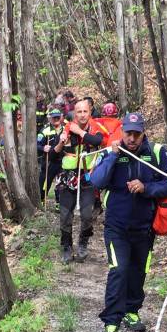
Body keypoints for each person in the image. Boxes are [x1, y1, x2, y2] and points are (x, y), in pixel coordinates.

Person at [89, 112, 167, 332]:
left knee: (138, 271)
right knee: (118, 270)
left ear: (143, 133)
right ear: (122, 131)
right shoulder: (111, 152)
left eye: (137, 134)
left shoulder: (157, 152)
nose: (132, 138)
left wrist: (146, 187)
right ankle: (111, 322)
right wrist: (113, 157)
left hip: (145, 226)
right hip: (116, 227)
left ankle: (131, 310)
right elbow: (96, 181)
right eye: (128, 133)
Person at [54, 98, 106, 263]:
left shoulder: (95, 127)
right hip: (67, 179)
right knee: (65, 216)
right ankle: (66, 247)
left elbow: (98, 141)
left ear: (90, 112)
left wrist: (80, 132)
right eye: (79, 112)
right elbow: (55, 152)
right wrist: (62, 141)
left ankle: (83, 243)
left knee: (87, 215)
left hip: (87, 179)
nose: (82, 115)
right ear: (74, 114)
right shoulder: (66, 128)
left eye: (85, 111)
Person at [37, 108, 64, 203]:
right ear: (50, 118)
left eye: (58, 117)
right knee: (44, 182)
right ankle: (41, 200)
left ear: (61, 118)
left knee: (61, 183)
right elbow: (37, 144)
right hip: (49, 161)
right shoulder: (45, 130)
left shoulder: (66, 129)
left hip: (62, 161)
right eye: (54, 118)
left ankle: (59, 202)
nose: (56, 119)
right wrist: (43, 148)